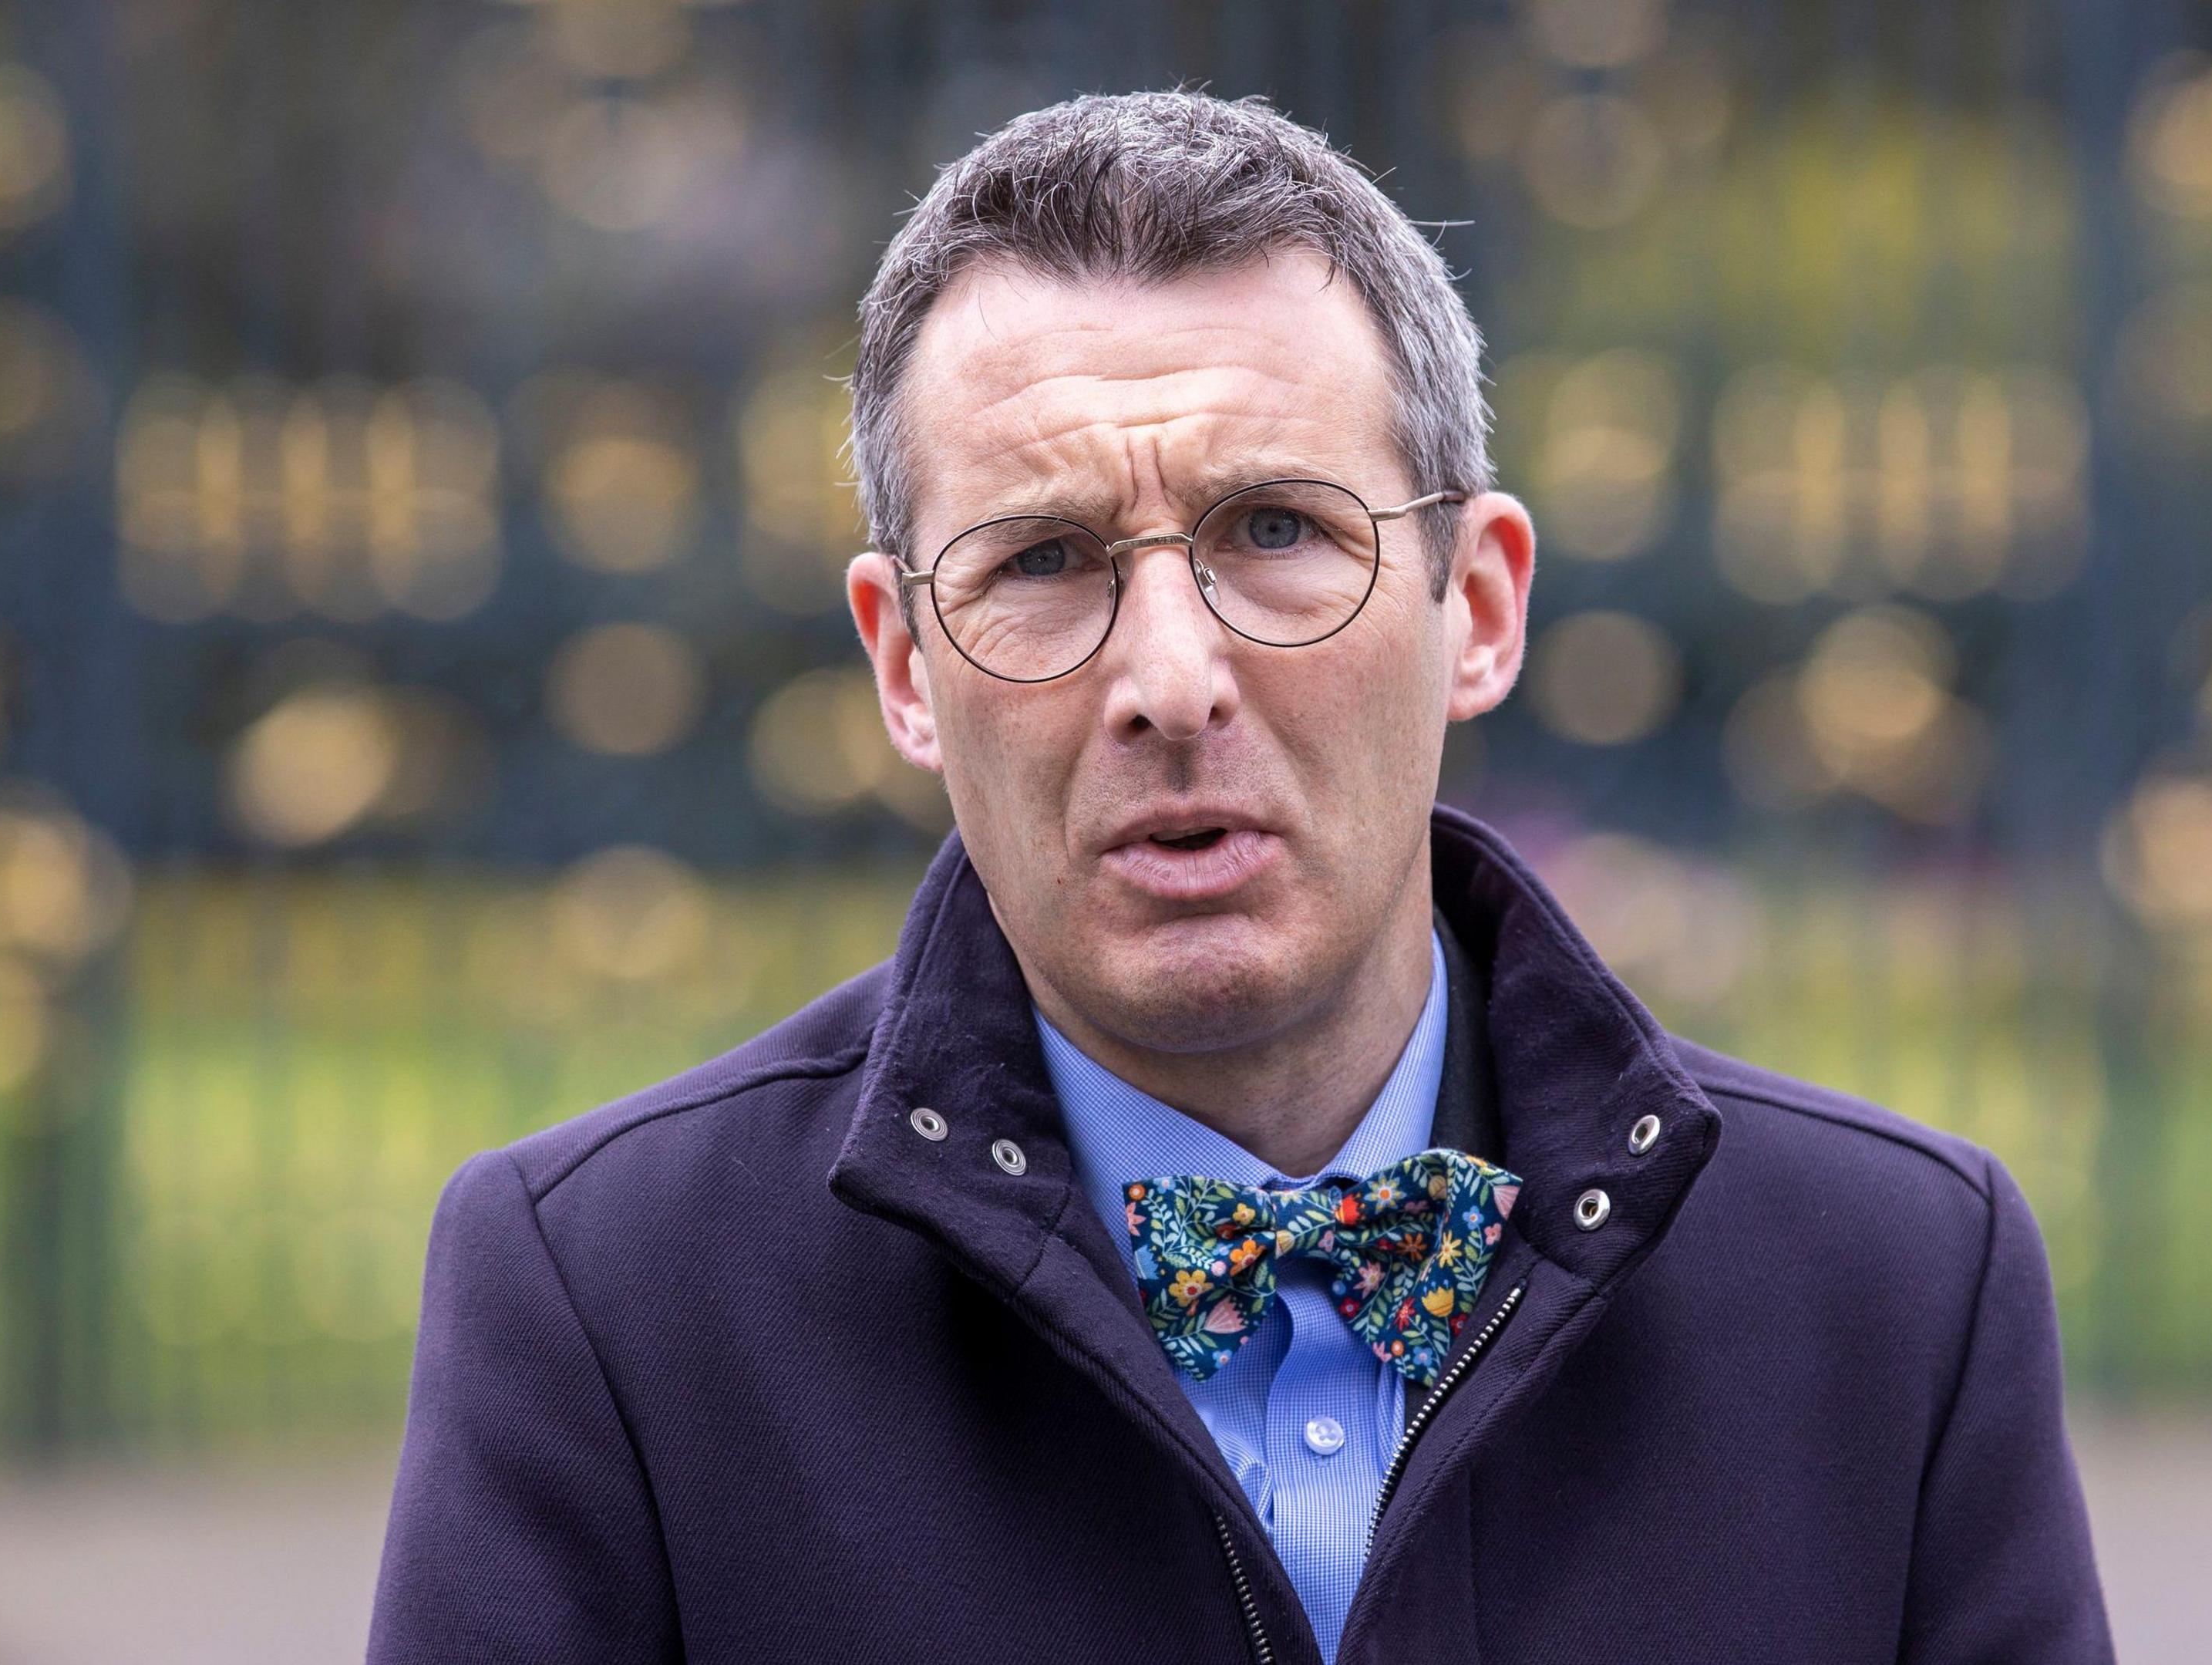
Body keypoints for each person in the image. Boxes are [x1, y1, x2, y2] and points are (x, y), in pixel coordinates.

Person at [369, 90, 2111, 1665]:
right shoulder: (617, 1310)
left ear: (1480, 606)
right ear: (904, 663)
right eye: (1043, 560)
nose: (1170, 677)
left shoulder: (1893, 1296)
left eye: (1276, 532)